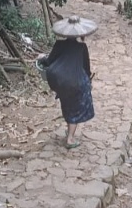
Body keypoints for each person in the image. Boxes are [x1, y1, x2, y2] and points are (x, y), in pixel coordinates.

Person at [37, 15, 96, 149]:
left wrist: (42, 58)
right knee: (76, 109)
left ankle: (69, 131)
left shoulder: (59, 44)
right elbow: (86, 67)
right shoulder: (82, 47)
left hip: (60, 82)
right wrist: (88, 81)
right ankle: (70, 139)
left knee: (68, 106)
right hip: (76, 83)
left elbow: (49, 61)